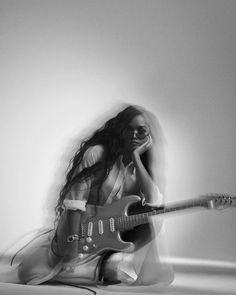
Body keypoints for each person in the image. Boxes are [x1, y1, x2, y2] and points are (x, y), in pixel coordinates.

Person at [17, 104, 174, 286]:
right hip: (79, 230)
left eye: (141, 131)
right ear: (118, 130)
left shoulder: (138, 169)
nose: (133, 135)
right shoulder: (97, 154)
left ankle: (104, 265)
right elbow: (74, 203)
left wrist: (136, 157)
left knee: (149, 218)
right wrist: (71, 246)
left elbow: (154, 201)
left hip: (110, 235)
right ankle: (91, 269)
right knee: (30, 273)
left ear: (148, 137)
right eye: (128, 129)